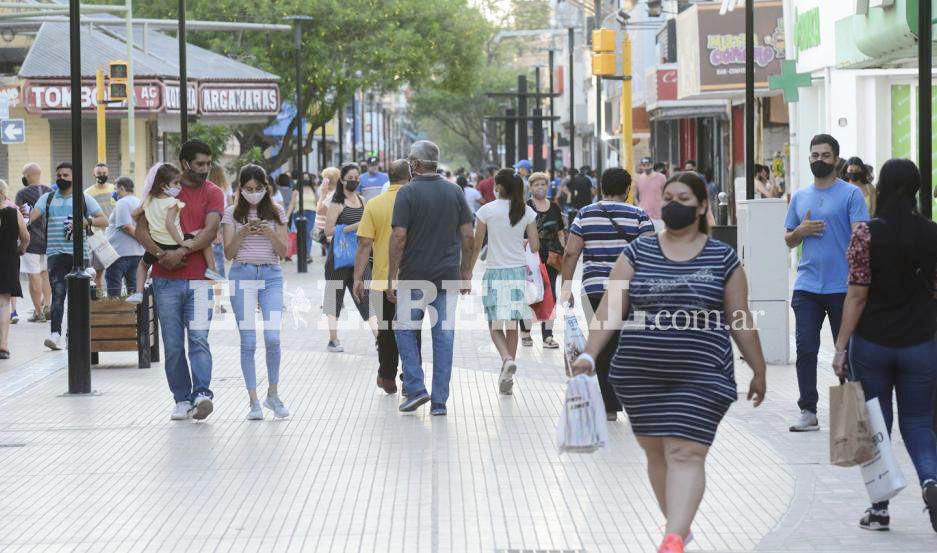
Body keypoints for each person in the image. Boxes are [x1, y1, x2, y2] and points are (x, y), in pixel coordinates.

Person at [569, 171, 767, 553]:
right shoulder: (638, 252)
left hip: (704, 372)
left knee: (685, 450)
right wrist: (590, 355)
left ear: (703, 206)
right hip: (640, 372)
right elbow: (611, 307)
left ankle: (673, 538)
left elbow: (739, 318)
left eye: (684, 199)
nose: (674, 205)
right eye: (669, 198)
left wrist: (758, 369)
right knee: (657, 451)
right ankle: (678, 526)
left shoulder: (723, 258)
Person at [830, 158, 937, 532]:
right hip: (921, 342)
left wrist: (841, 345)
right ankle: (931, 481)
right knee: (920, 423)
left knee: (877, 425)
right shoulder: (933, 233)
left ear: (883, 187)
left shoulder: (866, 234)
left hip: (873, 344)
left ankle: (879, 510)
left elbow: (857, 295)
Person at [135, 139, 225, 421]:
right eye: (200, 164)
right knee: (173, 345)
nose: (205, 169)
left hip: (199, 281)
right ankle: (181, 398)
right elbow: (140, 229)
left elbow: (210, 232)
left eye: (208, 164)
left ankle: (202, 394)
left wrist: (182, 250)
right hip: (165, 282)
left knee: (199, 339)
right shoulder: (162, 189)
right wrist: (162, 254)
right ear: (185, 163)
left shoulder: (214, 192)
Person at [784, 134, 869, 432]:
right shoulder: (800, 197)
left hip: (842, 288)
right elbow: (788, 239)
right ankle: (808, 410)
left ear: (836, 159)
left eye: (825, 155)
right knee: (805, 348)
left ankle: (854, 413)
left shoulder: (851, 195)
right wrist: (802, 231)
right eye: (814, 155)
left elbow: (862, 235)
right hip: (807, 285)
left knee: (847, 351)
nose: (819, 160)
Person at [561, 168, 655, 421]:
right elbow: (649, 255)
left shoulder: (585, 214)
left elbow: (571, 253)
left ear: (601, 188)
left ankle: (610, 407)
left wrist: (566, 287)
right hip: (630, 291)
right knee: (630, 344)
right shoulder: (639, 215)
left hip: (594, 290)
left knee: (602, 346)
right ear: (627, 190)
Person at [388, 140, 474, 416]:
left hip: (414, 277)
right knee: (444, 338)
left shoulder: (407, 193)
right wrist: (466, 272)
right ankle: (439, 402)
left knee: (403, 329)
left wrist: (391, 276)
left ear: (414, 164)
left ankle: (415, 387)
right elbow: (469, 236)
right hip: (447, 277)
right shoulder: (455, 191)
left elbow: (399, 237)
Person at [222, 164, 291, 420]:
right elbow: (229, 253)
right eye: (248, 189)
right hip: (242, 275)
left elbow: (283, 252)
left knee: (272, 337)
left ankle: (273, 394)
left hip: (271, 276)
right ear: (240, 189)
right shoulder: (231, 214)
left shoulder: (277, 212)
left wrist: (268, 231)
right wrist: (242, 232)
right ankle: (253, 402)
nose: (253, 193)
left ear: (266, 189)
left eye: (258, 189)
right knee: (248, 341)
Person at [471, 168, 539, 395]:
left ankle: (506, 359)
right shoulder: (526, 211)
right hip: (517, 274)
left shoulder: (486, 211)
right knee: (512, 326)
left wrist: (467, 272)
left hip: (495, 273)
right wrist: (522, 241)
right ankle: (507, 375)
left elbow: (477, 243)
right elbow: (536, 246)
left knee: (494, 325)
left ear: (499, 187)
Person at [353, 159, 418, 394]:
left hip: (381, 280)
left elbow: (363, 244)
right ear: (409, 176)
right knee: (412, 330)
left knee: (386, 330)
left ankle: (387, 376)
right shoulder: (416, 202)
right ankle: (410, 377)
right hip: (413, 278)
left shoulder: (375, 204)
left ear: (387, 177)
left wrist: (357, 278)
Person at [29, 162, 107, 351]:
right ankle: (55, 335)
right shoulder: (47, 199)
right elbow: (31, 218)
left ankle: (73, 335)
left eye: (66, 175)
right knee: (58, 294)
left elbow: (104, 220)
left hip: (79, 255)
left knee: (78, 298)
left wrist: (86, 221)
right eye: (59, 175)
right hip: (55, 254)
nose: (61, 178)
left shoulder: (83, 198)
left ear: (74, 178)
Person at [127, 164, 224, 304]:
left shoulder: (149, 200)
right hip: (172, 240)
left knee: (143, 265)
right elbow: (170, 224)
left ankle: (138, 292)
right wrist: (182, 242)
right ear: (163, 185)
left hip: (156, 242)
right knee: (203, 236)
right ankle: (212, 269)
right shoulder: (173, 202)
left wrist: (144, 217)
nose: (179, 187)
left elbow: (135, 214)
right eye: (176, 183)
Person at [324, 163, 370, 352]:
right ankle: (333, 339)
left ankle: (379, 338)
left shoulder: (363, 200)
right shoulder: (336, 203)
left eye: (356, 178)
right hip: (339, 258)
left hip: (360, 257)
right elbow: (328, 230)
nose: (354, 181)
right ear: (342, 180)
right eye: (350, 178)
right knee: (334, 297)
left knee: (367, 297)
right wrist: (352, 227)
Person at [520, 171, 565, 349]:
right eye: (536, 184)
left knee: (550, 294)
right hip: (531, 256)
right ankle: (525, 333)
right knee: (530, 293)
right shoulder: (525, 207)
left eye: (543, 184)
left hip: (552, 256)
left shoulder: (554, 207)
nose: (540, 187)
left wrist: (564, 251)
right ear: (530, 188)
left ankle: (548, 335)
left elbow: (560, 232)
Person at [14, 162, 52, 323]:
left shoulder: (22, 193)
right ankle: (48, 307)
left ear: (28, 176)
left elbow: (21, 218)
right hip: (49, 241)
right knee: (45, 275)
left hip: (31, 241)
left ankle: (39, 312)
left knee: (33, 276)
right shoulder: (50, 192)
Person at [0, 180, 29, 359]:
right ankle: (3, 345)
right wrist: (21, 249)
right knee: (4, 303)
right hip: (8, 259)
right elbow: (25, 236)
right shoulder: (13, 212)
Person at [103, 177, 144, 297]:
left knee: (114, 290)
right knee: (133, 289)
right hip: (136, 253)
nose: (115, 192)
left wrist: (142, 239)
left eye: (116, 189)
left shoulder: (123, 202)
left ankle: (117, 314)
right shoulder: (139, 201)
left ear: (122, 188)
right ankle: (134, 314)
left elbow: (126, 226)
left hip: (119, 254)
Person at [88, 163, 116, 291]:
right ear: (94, 174)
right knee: (97, 272)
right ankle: (98, 299)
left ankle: (113, 299)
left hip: (114, 233)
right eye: (99, 173)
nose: (102, 176)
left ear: (108, 173)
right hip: (97, 236)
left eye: (104, 173)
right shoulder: (88, 193)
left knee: (115, 270)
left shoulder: (114, 189)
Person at [288, 173, 318, 264]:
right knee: (301, 234)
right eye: (304, 178)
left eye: (307, 178)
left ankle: (307, 254)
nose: (306, 179)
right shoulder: (296, 191)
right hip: (298, 214)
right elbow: (292, 204)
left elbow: (317, 202)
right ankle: (303, 254)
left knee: (307, 233)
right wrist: (287, 216)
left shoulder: (313, 189)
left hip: (311, 213)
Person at [634, 156, 667, 230]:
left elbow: (666, 194)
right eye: (643, 165)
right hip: (644, 216)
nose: (645, 166)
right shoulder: (638, 179)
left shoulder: (661, 177)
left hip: (659, 215)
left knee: (659, 238)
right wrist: (639, 207)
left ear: (652, 165)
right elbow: (634, 196)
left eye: (647, 164)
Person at [314, 167, 340, 256]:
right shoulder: (330, 193)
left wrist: (322, 194)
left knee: (332, 262)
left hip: (331, 235)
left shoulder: (333, 194)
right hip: (328, 234)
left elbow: (320, 211)